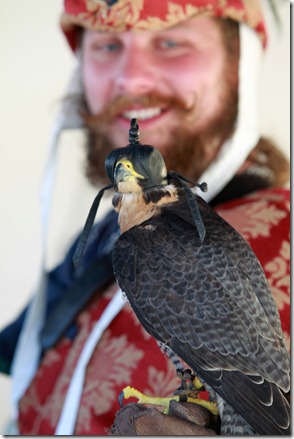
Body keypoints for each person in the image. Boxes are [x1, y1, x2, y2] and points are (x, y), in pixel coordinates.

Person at [0, 0, 290, 435]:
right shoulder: (103, 242)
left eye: (172, 41)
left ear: (238, 65)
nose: (132, 77)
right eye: (107, 45)